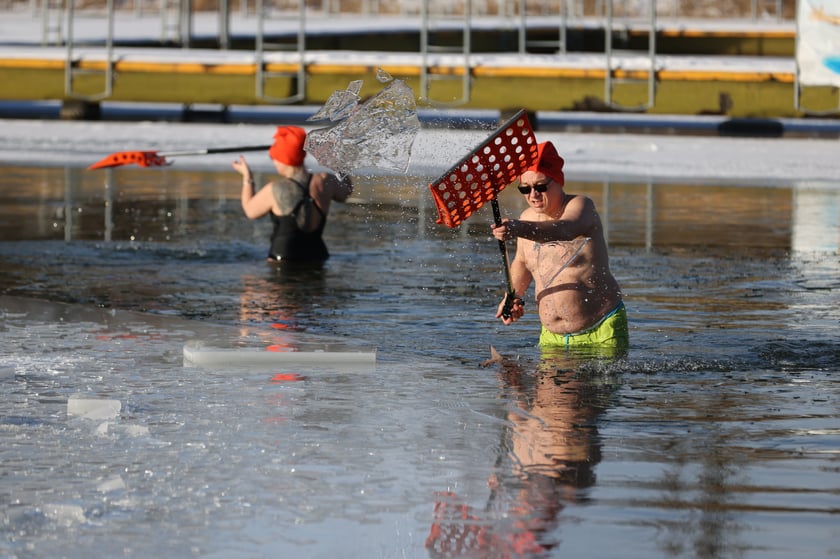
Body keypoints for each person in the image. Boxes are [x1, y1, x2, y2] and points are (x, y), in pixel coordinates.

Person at [491, 141, 628, 351]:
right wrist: (513, 295)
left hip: (601, 329)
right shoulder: (526, 217)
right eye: (525, 189)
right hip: (551, 336)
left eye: (541, 186)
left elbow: (564, 230)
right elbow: (522, 261)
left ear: (558, 181)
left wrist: (519, 228)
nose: (533, 195)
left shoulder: (581, 206)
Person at [231, 125, 353, 262]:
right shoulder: (325, 181)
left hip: (282, 259)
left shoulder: (275, 189)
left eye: (275, 158)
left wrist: (247, 176)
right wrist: (336, 159)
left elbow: (250, 211)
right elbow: (346, 191)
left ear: (284, 160)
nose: (274, 163)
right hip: (317, 256)